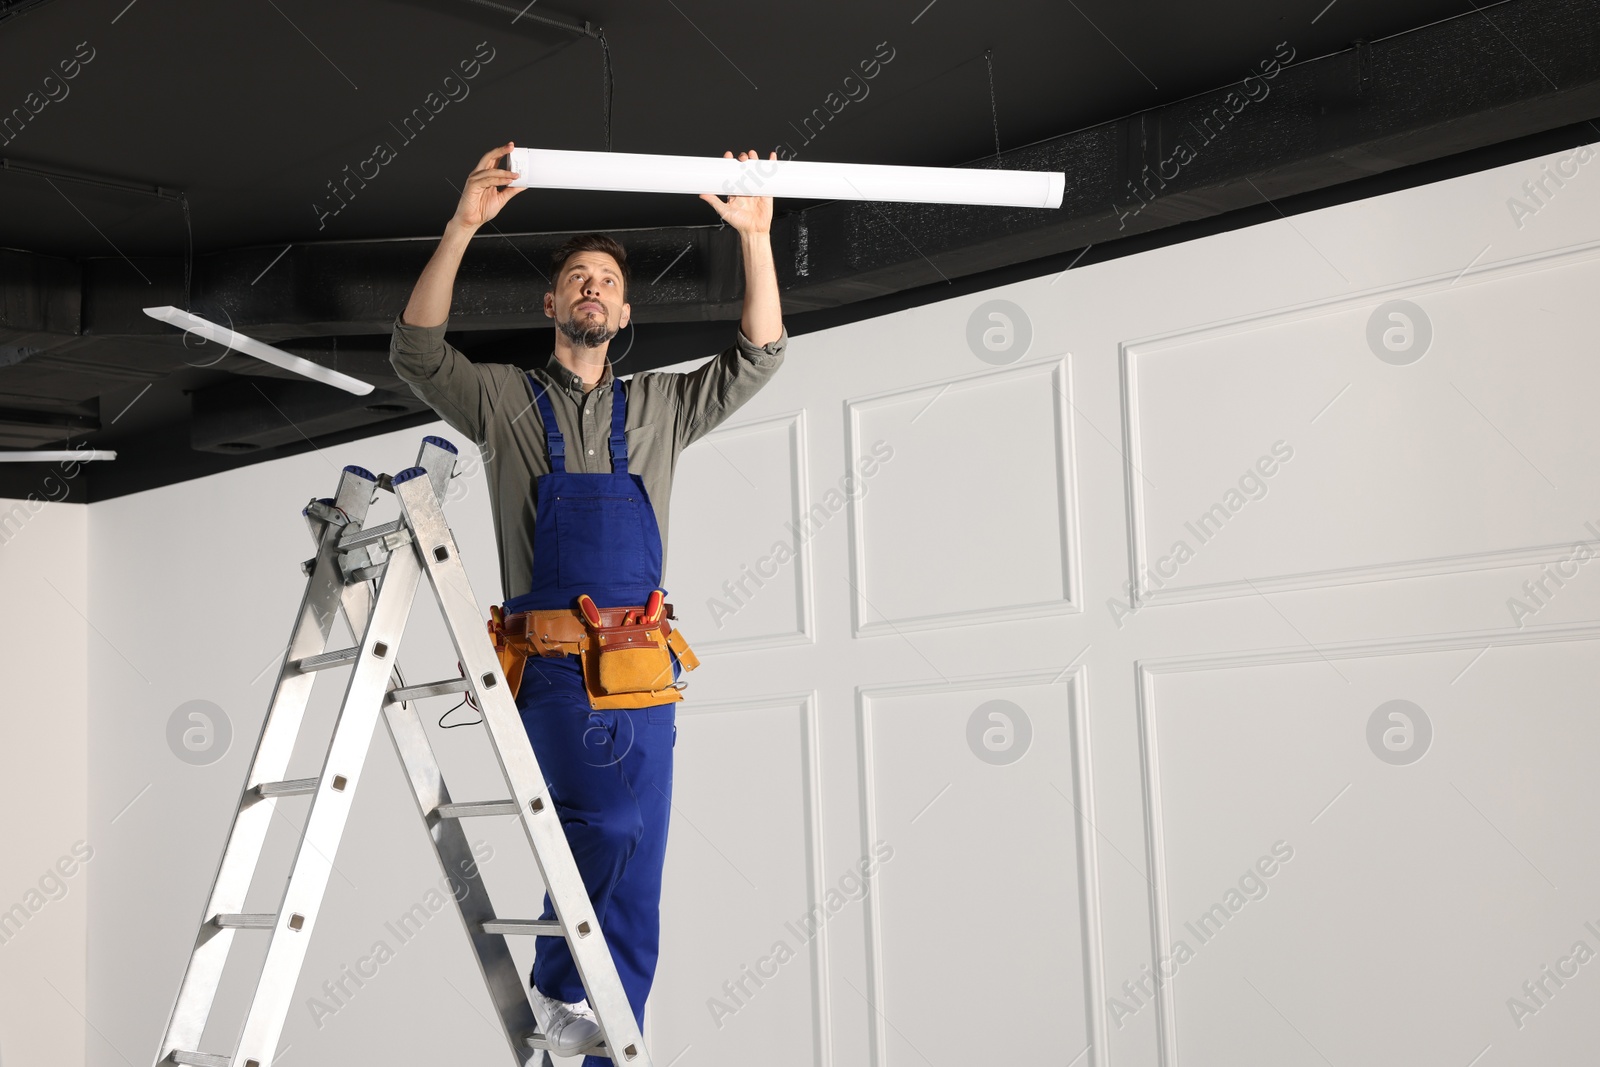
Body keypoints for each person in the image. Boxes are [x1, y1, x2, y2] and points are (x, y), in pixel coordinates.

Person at [388, 142, 785, 1060]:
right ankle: (561, 989)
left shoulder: (660, 410)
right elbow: (415, 350)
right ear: (552, 304)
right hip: (554, 667)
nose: (592, 289)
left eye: (606, 279)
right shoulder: (502, 403)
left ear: (625, 307)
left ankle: (615, 1040)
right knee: (602, 824)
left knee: (641, 860)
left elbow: (760, 354)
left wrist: (756, 239)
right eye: (576, 279)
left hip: (645, 669)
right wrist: (462, 227)